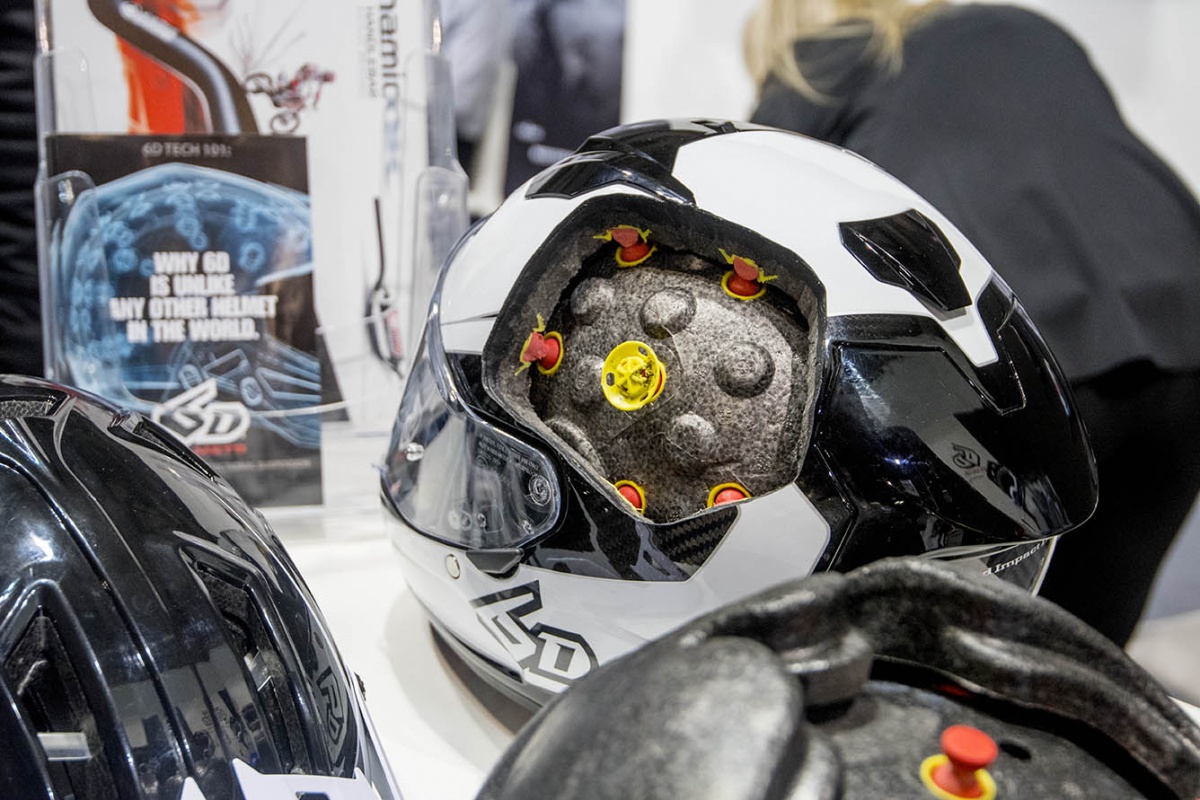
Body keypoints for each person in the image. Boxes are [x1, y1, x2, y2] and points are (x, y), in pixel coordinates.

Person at [743, 0, 1200, 648]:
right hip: (1183, 325)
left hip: (1018, 353)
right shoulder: (1020, 27)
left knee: (943, 656)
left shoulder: (815, 61)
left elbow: (752, 216)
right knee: (1082, 652)